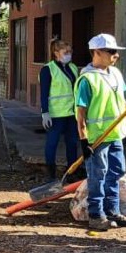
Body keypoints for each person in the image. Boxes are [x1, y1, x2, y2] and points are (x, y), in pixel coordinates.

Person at [74, 33, 126, 231]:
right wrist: (83, 139)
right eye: (111, 52)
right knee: (98, 174)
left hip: (115, 134)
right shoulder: (86, 80)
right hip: (98, 137)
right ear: (96, 52)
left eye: (116, 52)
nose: (116, 56)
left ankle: (113, 211)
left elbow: (121, 102)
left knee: (116, 171)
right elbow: (81, 113)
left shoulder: (115, 74)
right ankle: (97, 215)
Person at [40, 39, 80, 182]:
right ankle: (50, 174)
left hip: (71, 113)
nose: (69, 55)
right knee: (52, 143)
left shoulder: (73, 68)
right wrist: (45, 112)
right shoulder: (48, 69)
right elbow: (44, 92)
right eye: (65, 52)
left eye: (70, 52)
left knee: (72, 143)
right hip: (55, 114)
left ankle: (71, 172)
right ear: (56, 53)